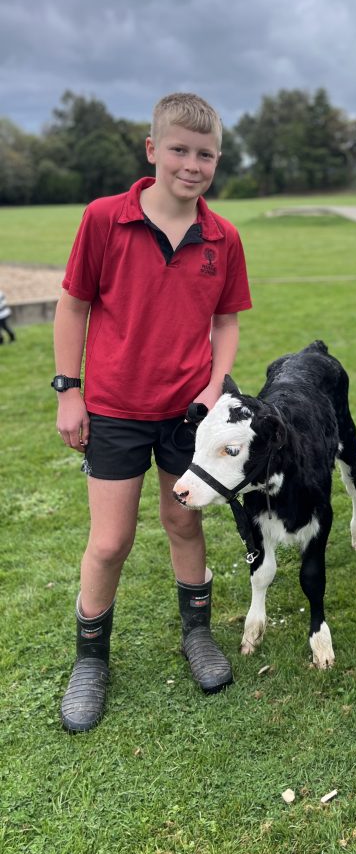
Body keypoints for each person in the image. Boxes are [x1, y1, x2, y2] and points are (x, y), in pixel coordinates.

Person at [53, 92, 252, 733]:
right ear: (152, 150)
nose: (192, 165)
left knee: (184, 522)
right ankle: (90, 661)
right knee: (110, 541)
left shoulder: (223, 237)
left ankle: (197, 634)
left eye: (205, 155)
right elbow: (73, 306)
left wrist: (214, 387)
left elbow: (226, 321)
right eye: (179, 150)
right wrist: (68, 390)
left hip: (188, 414)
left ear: (217, 160)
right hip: (114, 409)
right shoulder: (103, 219)